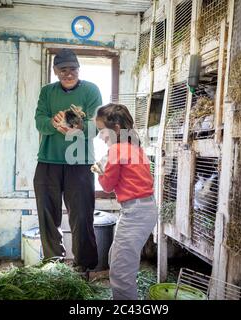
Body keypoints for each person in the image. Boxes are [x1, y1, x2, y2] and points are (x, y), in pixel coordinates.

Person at [33, 48, 102, 273]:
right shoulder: (47, 92)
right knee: (47, 215)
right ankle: (53, 264)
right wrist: (53, 123)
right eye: (63, 70)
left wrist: (77, 125)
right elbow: (39, 121)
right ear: (55, 71)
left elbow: (95, 127)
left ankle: (84, 267)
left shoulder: (91, 90)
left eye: (72, 69)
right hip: (48, 161)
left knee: (82, 216)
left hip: (80, 163)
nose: (68, 73)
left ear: (78, 69)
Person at [92, 103, 158, 300]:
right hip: (142, 210)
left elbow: (107, 185)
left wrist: (99, 171)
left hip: (135, 212)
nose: (100, 137)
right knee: (117, 258)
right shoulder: (134, 147)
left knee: (120, 272)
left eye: (102, 131)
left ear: (116, 129)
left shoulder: (117, 149)